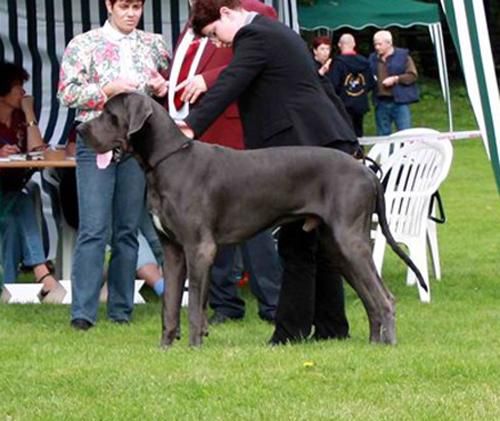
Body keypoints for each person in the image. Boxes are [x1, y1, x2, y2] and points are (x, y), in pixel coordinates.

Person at [181, 0, 360, 344]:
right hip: (323, 140)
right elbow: (320, 85)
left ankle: (290, 333)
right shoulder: (278, 32)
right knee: (320, 243)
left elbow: (231, 82)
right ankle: (331, 328)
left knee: (296, 243)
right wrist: (347, 138)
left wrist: (191, 126)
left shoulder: (254, 36)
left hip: (303, 144)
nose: (218, 42)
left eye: (214, 33)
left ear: (226, 13)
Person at [167, 0, 282, 324]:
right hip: (199, 136)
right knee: (209, 221)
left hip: (236, 131)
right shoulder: (193, 22)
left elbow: (259, 58)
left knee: (254, 220)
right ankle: (224, 304)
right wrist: (167, 83)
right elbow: (185, 70)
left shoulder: (252, 9)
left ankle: (272, 302)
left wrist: (209, 79)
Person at [58, 0, 169, 330]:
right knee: (93, 228)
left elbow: (167, 83)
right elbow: (66, 93)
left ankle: (121, 310)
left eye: (137, 6)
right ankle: (83, 313)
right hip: (97, 141)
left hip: (136, 145)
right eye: (124, 6)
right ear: (109, 5)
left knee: (127, 229)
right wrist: (106, 90)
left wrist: (161, 86)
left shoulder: (154, 44)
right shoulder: (84, 44)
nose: (131, 13)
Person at [0, 62, 65, 304]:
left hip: (12, 189)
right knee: (21, 202)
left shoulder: (19, 118)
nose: (23, 92)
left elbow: (38, 151)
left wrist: (29, 114)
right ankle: (42, 272)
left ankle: (9, 286)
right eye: (17, 86)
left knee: (16, 209)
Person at [369, 30, 419, 136]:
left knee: (405, 134)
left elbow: (412, 75)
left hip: (400, 102)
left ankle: (405, 148)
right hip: (381, 102)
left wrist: (396, 79)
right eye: (375, 44)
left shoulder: (403, 56)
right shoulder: (372, 59)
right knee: (383, 136)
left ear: (389, 43)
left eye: (380, 44)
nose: (377, 47)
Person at [329, 33, 375, 137]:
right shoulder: (364, 62)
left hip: (343, 104)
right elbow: (371, 83)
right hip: (360, 103)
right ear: (354, 44)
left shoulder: (337, 63)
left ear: (339, 45)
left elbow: (333, 85)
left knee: (345, 133)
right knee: (359, 132)